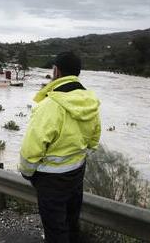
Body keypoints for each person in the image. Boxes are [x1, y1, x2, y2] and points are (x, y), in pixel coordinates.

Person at [18, 51, 101, 243]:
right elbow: (94, 139)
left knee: (55, 230)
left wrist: (28, 173)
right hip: (77, 173)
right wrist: (77, 159)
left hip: (50, 180)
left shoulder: (50, 105)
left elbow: (31, 150)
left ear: (56, 71)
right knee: (72, 223)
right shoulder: (91, 102)